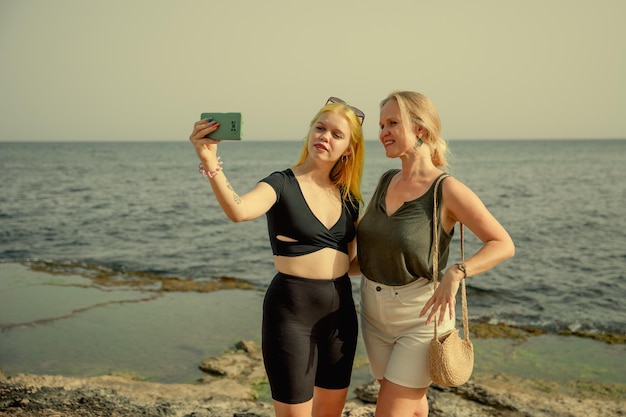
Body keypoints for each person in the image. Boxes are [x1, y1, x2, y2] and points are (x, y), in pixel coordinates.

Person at [188, 97, 365, 417]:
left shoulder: (350, 198)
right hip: (291, 313)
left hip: (340, 316)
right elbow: (239, 211)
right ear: (310, 132)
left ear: (349, 148)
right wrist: (209, 160)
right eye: (320, 128)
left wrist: (396, 247)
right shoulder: (281, 183)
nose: (324, 137)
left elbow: (352, 266)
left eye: (336, 135)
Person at [354, 91, 515, 417]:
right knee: (411, 405)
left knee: (388, 411)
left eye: (393, 123)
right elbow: (374, 251)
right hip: (372, 311)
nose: (383, 131)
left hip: (421, 315)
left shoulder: (447, 189)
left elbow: (502, 243)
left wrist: (456, 272)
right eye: (382, 124)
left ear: (421, 130)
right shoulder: (386, 181)